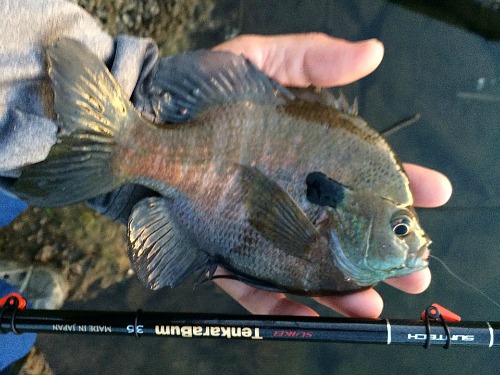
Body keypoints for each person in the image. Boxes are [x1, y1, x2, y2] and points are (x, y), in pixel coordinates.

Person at [0, 0, 452, 326]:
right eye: (400, 227)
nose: (412, 241)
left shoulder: (346, 247)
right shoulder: (357, 202)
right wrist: (140, 96)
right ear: (356, 210)